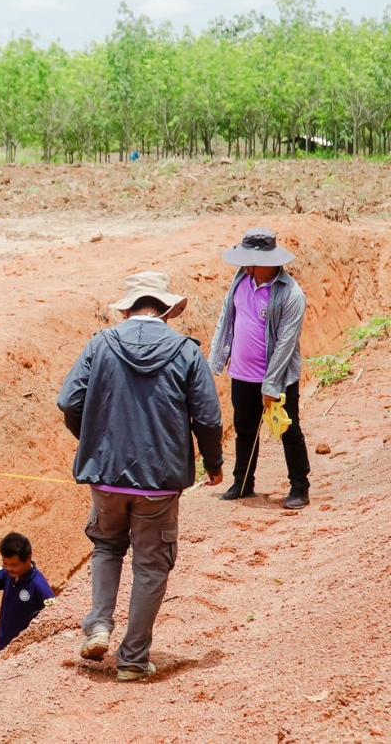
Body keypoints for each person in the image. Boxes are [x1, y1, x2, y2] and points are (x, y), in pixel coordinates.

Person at [56, 271, 223, 682]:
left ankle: (98, 625)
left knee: (107, 547)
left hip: (106, 476)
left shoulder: (101, 344)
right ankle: (132, 659)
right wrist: (214, 464)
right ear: (166, 310)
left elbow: (68, 400)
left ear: (127, 309)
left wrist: (94, 441)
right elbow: (208, 417)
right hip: (160, 481)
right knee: (151, 566)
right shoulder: (186, 352)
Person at [209, 228, 312, 509]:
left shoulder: (291, 294)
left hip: (277, 377)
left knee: (289, 431)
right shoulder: (241, 279)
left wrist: (271, 385)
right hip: (242, 374)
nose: (246, 266)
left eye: (250, 262)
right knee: (245, 429)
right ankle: (242, 483)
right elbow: (226, 318)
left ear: (268, 262)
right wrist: (216, 360)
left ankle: (300, 488)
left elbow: (286, 344)